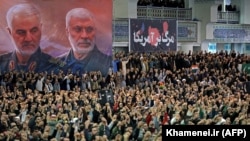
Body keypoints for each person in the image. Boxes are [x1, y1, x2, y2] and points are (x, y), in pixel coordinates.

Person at [0, 3, 59, 73]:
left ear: (41, 28)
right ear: (10, 32)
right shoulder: (2, 64)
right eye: (21, 32)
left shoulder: (55, 67)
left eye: (34, 31)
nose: (28, 39)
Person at [62, 8, 112, 76]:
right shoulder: (56, 64)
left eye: (89, 29)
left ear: (95, 31)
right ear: (67, 32)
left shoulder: (108, 63)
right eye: (77, 29)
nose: (84, 36)